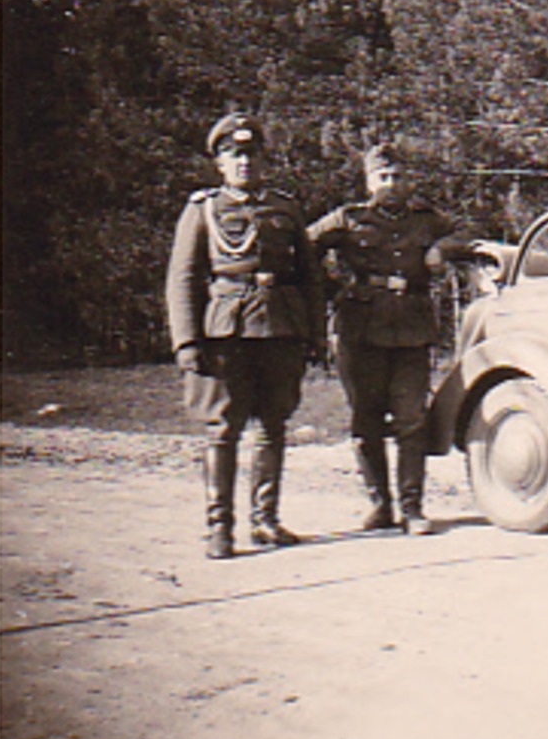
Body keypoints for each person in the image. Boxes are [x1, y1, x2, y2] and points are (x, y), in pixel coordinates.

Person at [166, 113, 325, 560]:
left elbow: (310, 277)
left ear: (262, 160)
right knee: (223, 429)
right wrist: (186, 341)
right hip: (225, 332)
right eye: (234, 155)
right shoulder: (203, 209)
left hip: (279, 328)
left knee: (274, 426)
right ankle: (220, 528)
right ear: (219, 162)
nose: (244, 164)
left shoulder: (285, 208)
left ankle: (266, 521)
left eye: (251, 155)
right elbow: (182, 279)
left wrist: (314, 334)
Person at [308, 143, 484, 536]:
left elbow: (470, 230)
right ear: (369, 181)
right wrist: (332, 289)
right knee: (366, 420)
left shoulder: (426, 219)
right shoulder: (348, 219)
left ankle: (412, 507)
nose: (391, 184)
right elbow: (303, 247)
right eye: (382, 177)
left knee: (411, 420)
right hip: (360, 329)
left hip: (412, 329)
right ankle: (380, 504)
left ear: (408, 180)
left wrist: (441, 248)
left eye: (398, 176)